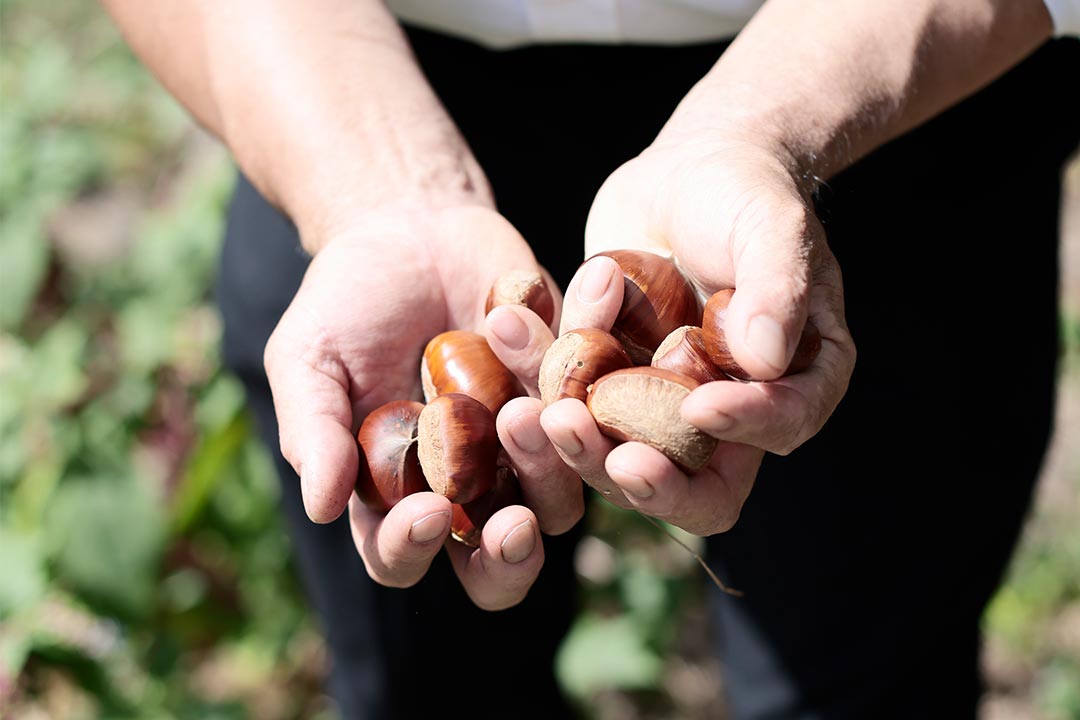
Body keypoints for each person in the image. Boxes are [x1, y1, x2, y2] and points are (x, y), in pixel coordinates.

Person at [101, 0, 1080, 717]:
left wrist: (761, 129)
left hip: (878, 83)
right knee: (430, 691)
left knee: (867, 677)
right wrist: (374, 193)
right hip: (338, 83)